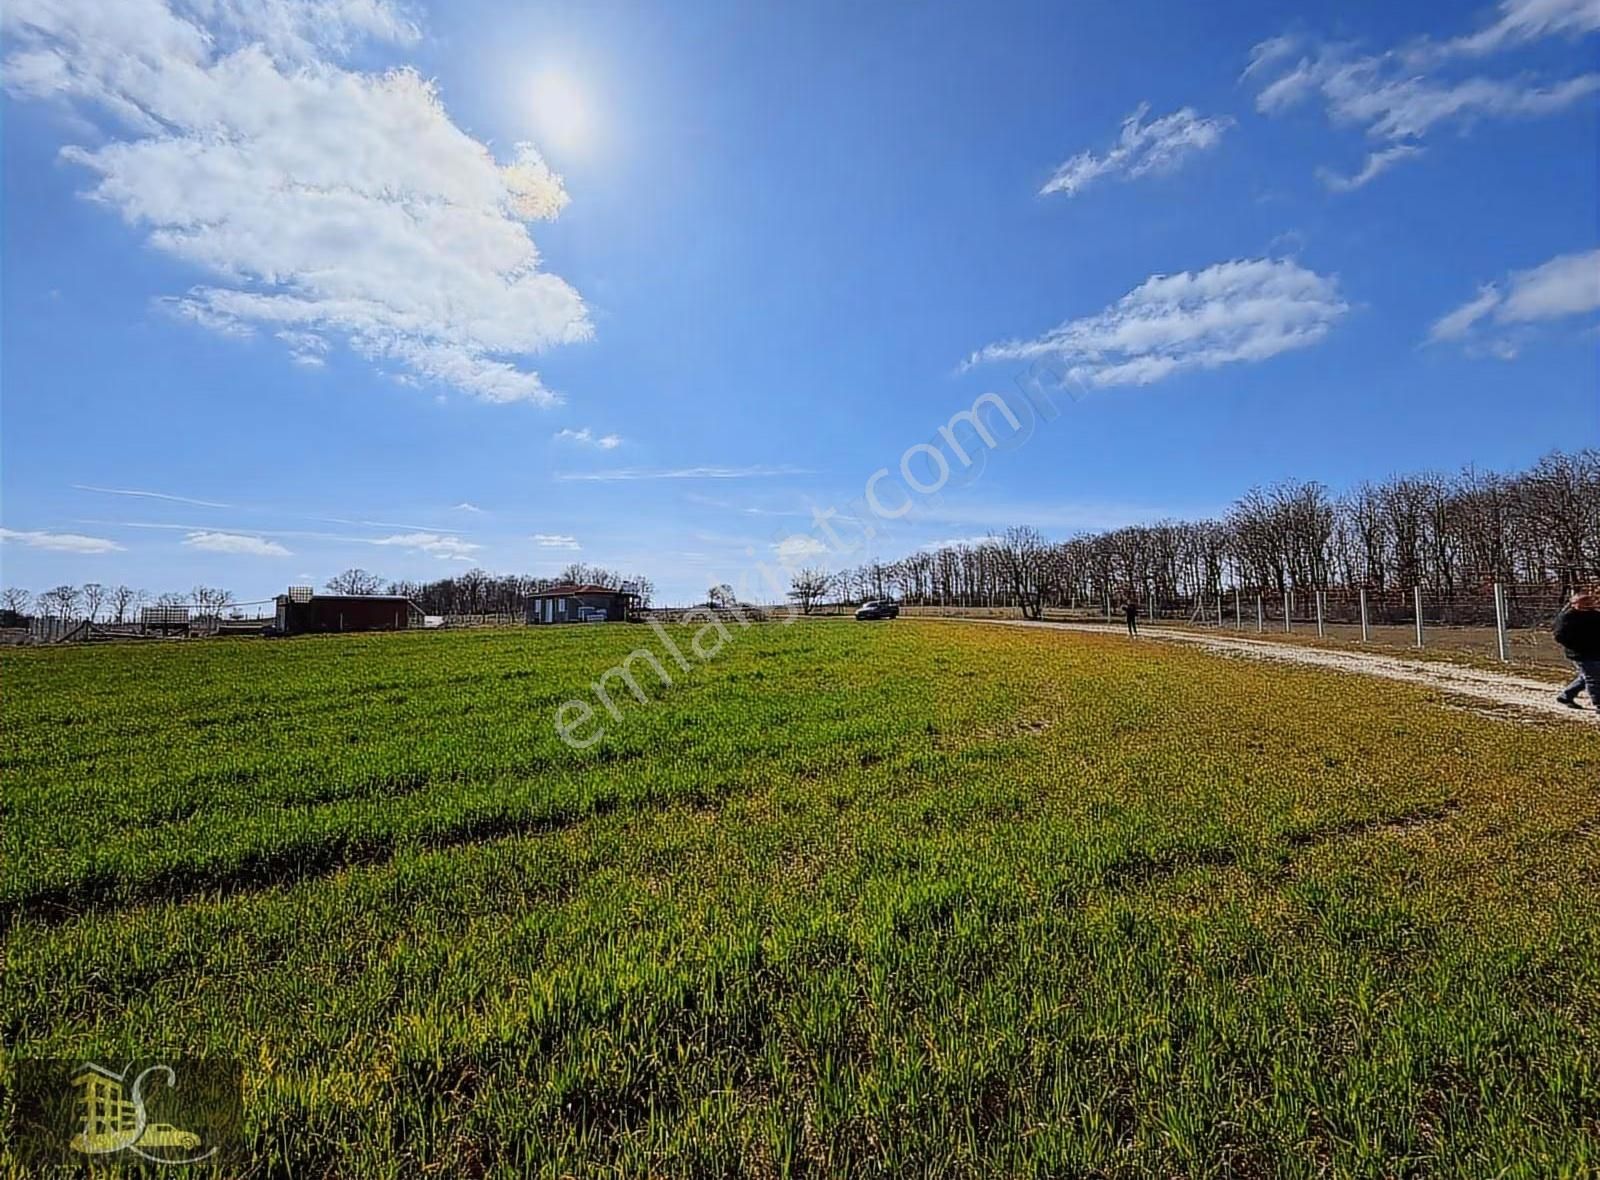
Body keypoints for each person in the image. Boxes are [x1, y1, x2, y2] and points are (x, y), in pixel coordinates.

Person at [1554, 588, 1600, 712]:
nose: (1589, 604)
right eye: (1584, 602)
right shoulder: (1567, 617)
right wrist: (1578, 646)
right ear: (1575, 604)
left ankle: (1566, 696)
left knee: (1588, 676)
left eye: (1590, 601)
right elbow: (1560, 636)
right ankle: (1598, 704)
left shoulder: (1595, 615)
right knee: (1594, 678)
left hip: (1595, 651)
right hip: (1579, 653)